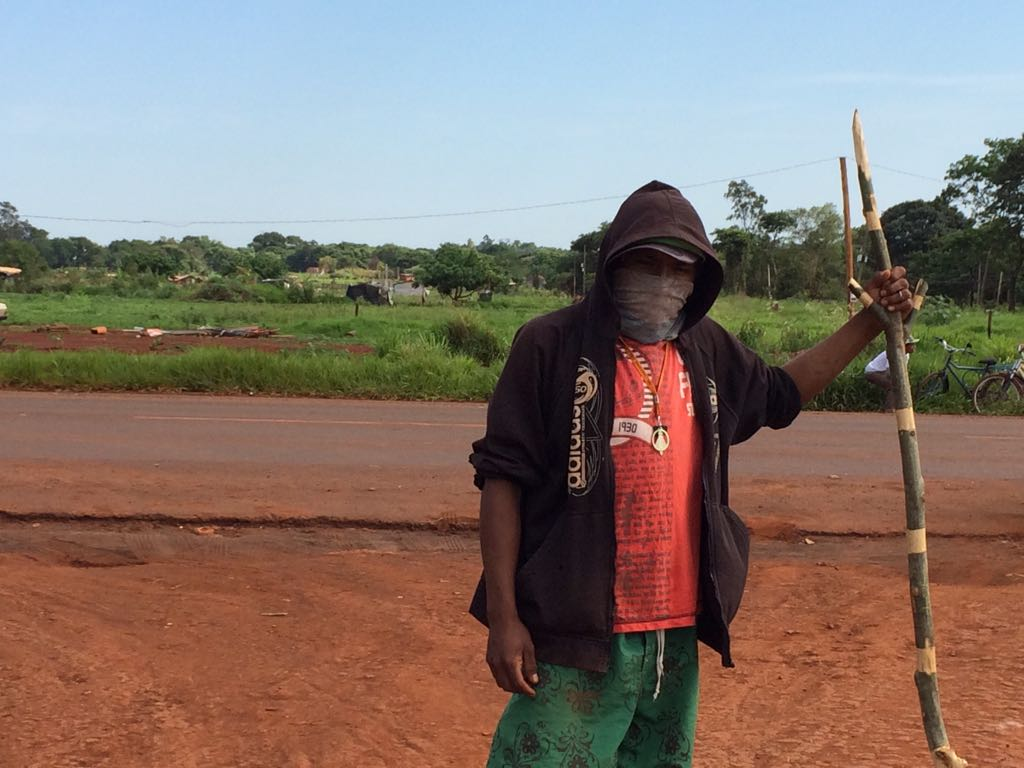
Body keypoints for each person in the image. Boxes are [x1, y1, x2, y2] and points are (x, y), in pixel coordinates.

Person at [468, 181, 912, 767]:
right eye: (646, 263)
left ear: (697, 280)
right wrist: (504, 618)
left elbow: (779, 394)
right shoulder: (549, 345)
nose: (662, 281)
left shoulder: (704, 348)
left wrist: (870, 323)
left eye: (679, 269)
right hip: (576, 631)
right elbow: (503, 480)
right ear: (612, 264)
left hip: (671, 637)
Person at [863, 336, 917, 411]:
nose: (914, 347)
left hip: (883, 371)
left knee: (899, 385)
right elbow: (889, 372)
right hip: (873, 372)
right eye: (912, 345)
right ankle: (889, 408)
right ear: (905, 346)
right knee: (893, 386)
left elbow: (902, 370)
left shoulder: (906, 355)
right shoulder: (894, 353)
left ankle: (898, 406)